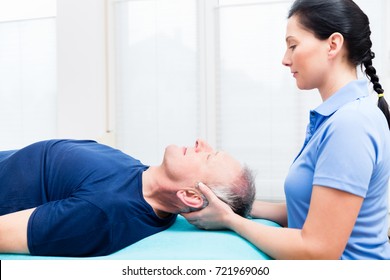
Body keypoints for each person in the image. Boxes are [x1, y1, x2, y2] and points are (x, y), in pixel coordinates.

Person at [183, 0, 390, 260]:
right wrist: (236, 207)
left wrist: (230, 220)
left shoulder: (351, 124)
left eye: (293, 45)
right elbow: (307, 210)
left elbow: (319, 250)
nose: (285, 59)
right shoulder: (339, 118)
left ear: (333, 44)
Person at [0, 138, 255, 257]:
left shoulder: (103, 214)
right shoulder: (142, 178)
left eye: (209, 156)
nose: (202, 143)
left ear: (190, 196)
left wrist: (232, 219)